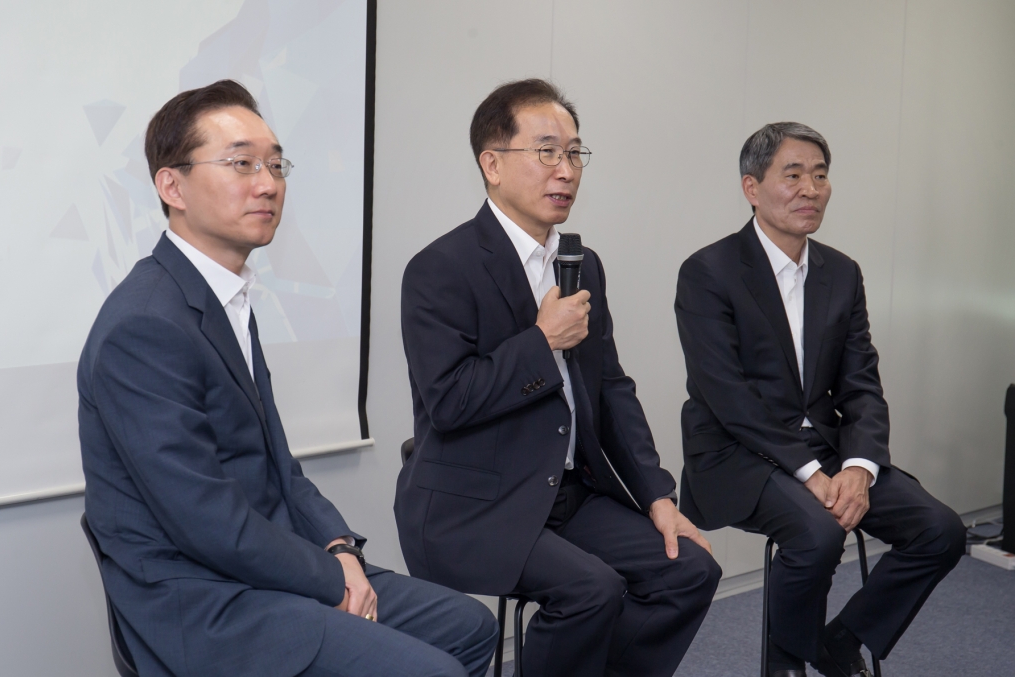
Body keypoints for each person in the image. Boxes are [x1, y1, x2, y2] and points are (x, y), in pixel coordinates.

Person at [78, 80, 497, 677]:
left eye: (275, 164)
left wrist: (340, 547)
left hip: (267, 567)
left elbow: (281, 466)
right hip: (205, 600)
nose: (269, 183)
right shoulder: (144, 324)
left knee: (470, 627)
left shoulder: (223, 298)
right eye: (241, 163)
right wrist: (332, 579)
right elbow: (205, 521)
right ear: (172, 186)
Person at [395, 78, 721, 677]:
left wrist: (658, 497)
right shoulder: (440, 268)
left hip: (567, 494)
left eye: (574, 153)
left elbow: (611, 389)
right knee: (592, 591)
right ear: (492, 164)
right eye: (546, 151)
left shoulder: (581, 263)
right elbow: (450, 402)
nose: (566, 170)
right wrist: (541, 342)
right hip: (475, 505)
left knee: (691, 570)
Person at [674, 122, 966, 677]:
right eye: (793, 175)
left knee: (941, 529)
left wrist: (859, 467)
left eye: (820, 175)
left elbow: (861, 384)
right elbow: (728, 396)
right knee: (818, 533)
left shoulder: (842, 272)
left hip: (827, 449)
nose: (810, 189)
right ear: (752, 187)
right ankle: (784, 664)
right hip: (737, 453)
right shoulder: (708, 272)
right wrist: (809, 473)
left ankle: (838, 642)